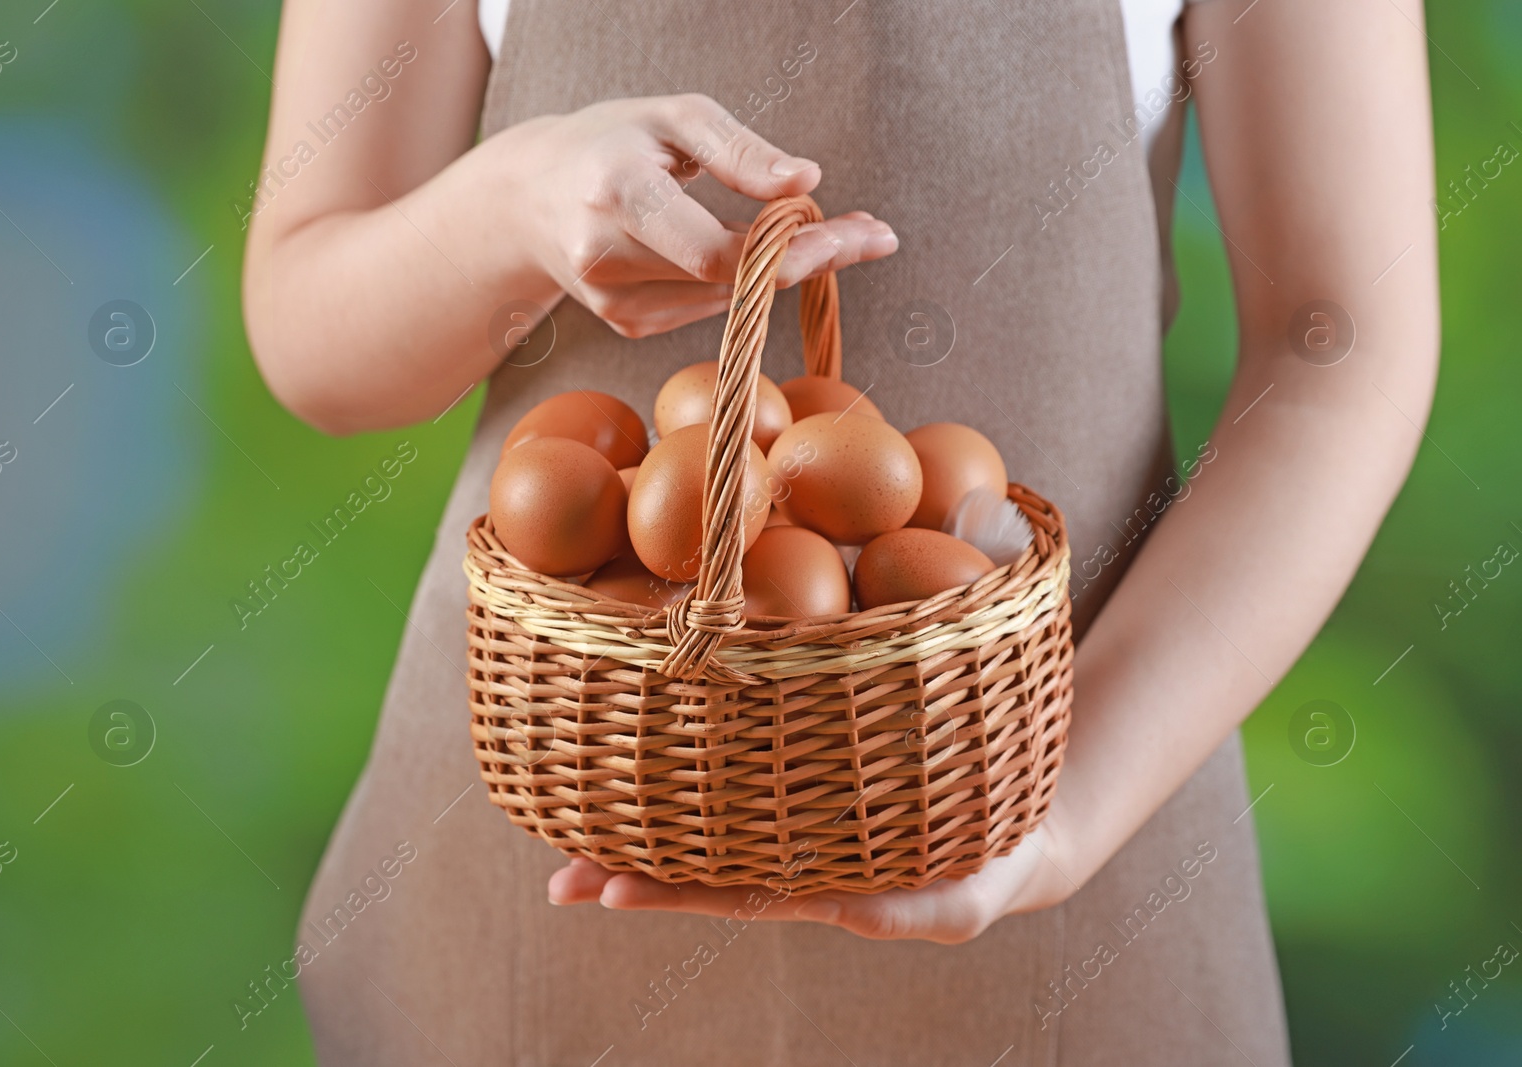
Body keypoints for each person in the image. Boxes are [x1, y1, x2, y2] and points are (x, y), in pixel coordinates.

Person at [242, 0, 1439, 1062]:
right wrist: (508, 209)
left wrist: (1061, 811)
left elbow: (1336, 344)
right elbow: (313, 329)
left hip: (1068, 806)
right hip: (545, 823)